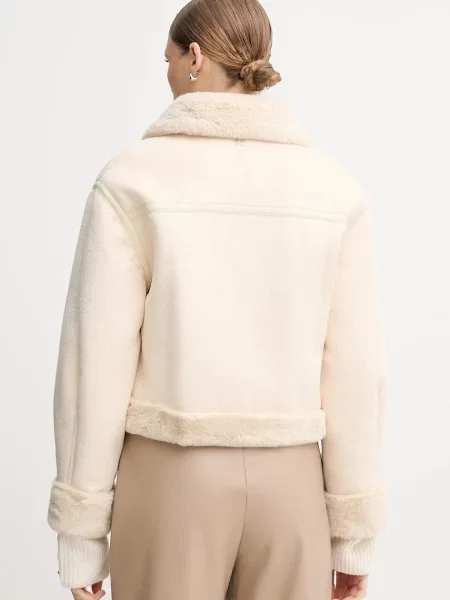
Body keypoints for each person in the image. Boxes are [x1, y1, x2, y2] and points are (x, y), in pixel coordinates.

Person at [47, 1, 387, 599]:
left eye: (169, 59)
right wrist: (353, 536)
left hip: (171, 477)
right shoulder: (333, 189)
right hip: (293, 487)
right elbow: (356, 372)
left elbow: (93, 363)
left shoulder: (131, 180)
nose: (168, 73)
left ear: (195, 57)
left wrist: (81, 534)